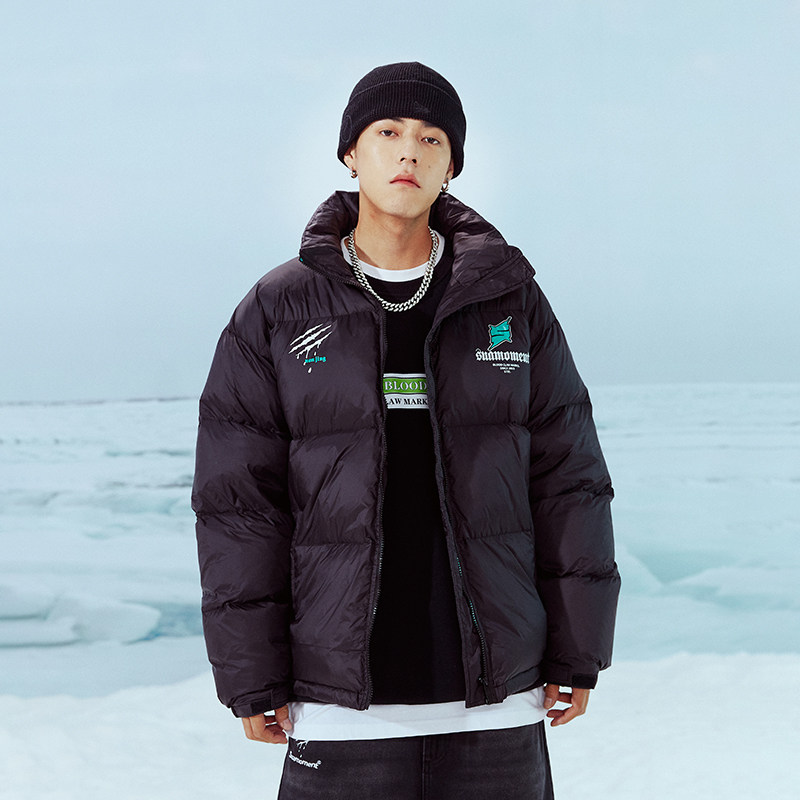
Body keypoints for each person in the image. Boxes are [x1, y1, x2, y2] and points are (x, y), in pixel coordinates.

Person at [192, 61, 620, 800]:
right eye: (387, 132)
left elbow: (569, 481)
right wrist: (250, 672)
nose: (408, 153)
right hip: (339, 712)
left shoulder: (509, 301)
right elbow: (239, 507)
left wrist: (578, 650)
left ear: (452, 165)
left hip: (498, 707)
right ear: (351, 153)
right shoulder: (278, 309)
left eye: (431, 138)